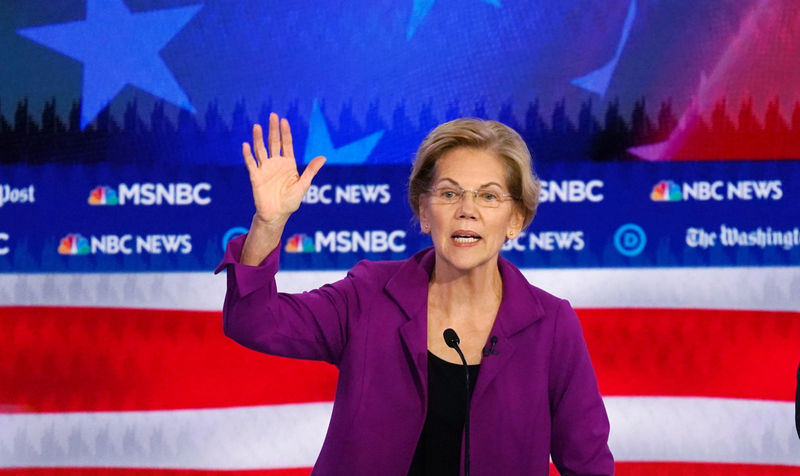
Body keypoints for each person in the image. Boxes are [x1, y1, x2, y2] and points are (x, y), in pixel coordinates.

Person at [216, 112, 614, 475]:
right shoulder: (369, 296)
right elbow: (254, 322)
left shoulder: (551, 325)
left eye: (489, 196)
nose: (467, 209)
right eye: (449, 193)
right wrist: (269, 223)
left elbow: (588, 464)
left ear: (516, 220)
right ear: (424, 212)